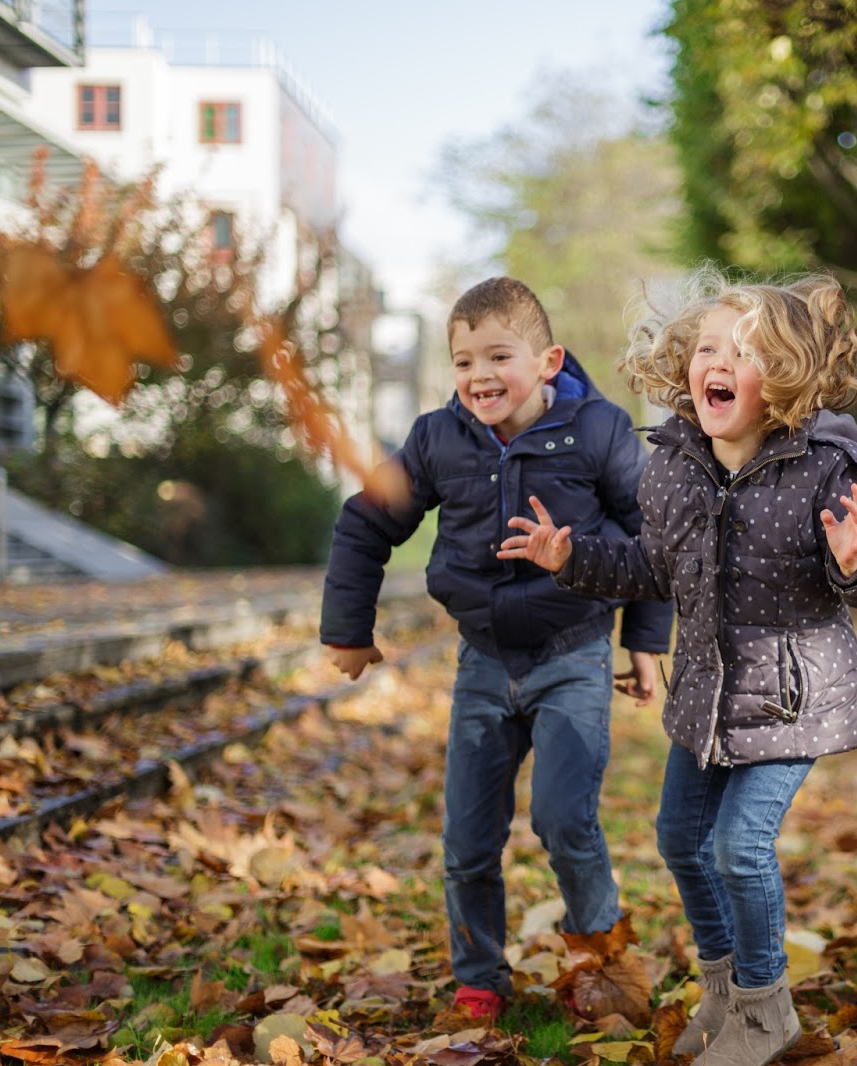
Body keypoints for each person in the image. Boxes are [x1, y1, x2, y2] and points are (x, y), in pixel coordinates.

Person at [499, 269, 857, 1066]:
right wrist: (571, 557)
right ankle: (723, 995)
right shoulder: (675, 464)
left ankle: (765, 1009)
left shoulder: (827, 465)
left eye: (745, 353)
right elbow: (655, 568)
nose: (717, 363)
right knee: (681, 839)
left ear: (784, 376)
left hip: (794, 701)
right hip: (708, 696)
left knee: (738, 847)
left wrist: (855, 562)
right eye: (708, 348)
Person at [320, 276, 673, 1024]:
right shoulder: (437, 438)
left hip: (572, 653)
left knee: (563, 821)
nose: (479, 377)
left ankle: (601, 967)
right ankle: (480, 979)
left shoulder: (600, 430)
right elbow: (365, 523)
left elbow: (654, 539)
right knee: (468, 839)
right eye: (462, 361)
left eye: (498, 356)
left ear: (548, 360)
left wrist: (645, 641)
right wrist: (349, 629)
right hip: (482, 663)